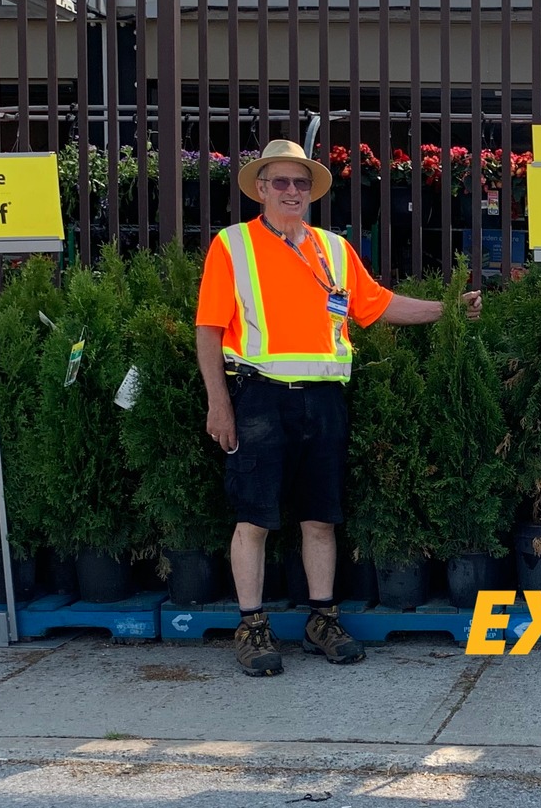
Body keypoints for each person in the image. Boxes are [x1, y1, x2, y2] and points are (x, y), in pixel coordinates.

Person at [195, 138, 479, 676]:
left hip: (324, 401)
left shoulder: (334, 249)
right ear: (261, 189)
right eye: (281, 181)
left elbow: (378, 304)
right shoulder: (232, 245)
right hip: (259, 397)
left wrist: (447, 308)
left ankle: (322, 619)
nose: (292, 191)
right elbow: (208, 330)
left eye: (301, 183)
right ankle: (251, 627)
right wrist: (219, 404)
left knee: (321, 518)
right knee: (253, 520)